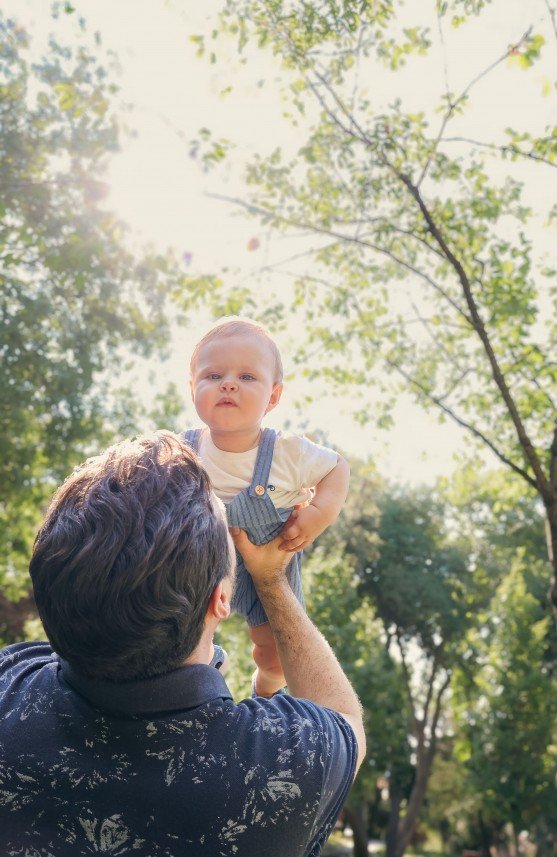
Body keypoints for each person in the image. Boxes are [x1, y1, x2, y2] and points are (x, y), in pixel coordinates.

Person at [0, 431, 365, 857]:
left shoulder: (9, 687)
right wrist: (270, 579)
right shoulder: (278, 765)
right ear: (221, 600)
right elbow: (343, 717)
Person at [185, 317, 350, 697]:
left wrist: (319, 514)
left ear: (273, 397)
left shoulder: (288, 452)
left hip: (269, 563)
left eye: (246, 377)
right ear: (193, 388)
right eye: (213, 376)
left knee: (276, 653)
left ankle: (267, 688)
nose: (228, 383)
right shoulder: (182, 450)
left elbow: (337, 467)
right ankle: (200, 677)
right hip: (200, 565)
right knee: (177, 634)